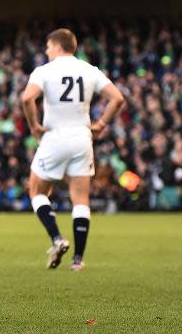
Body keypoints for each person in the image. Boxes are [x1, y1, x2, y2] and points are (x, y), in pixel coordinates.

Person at [21, 28, 125, 270]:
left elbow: (27, 98)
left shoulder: (45, 71)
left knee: (36, 190)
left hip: (54, 137)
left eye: (48, 47)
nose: (46, 52)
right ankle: (78, 260)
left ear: (57, 46)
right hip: (82, 138)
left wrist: (34, 126)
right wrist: (100, 124)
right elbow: (118, 98)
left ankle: (57, 238)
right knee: (81, 199)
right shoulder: (88, 70)